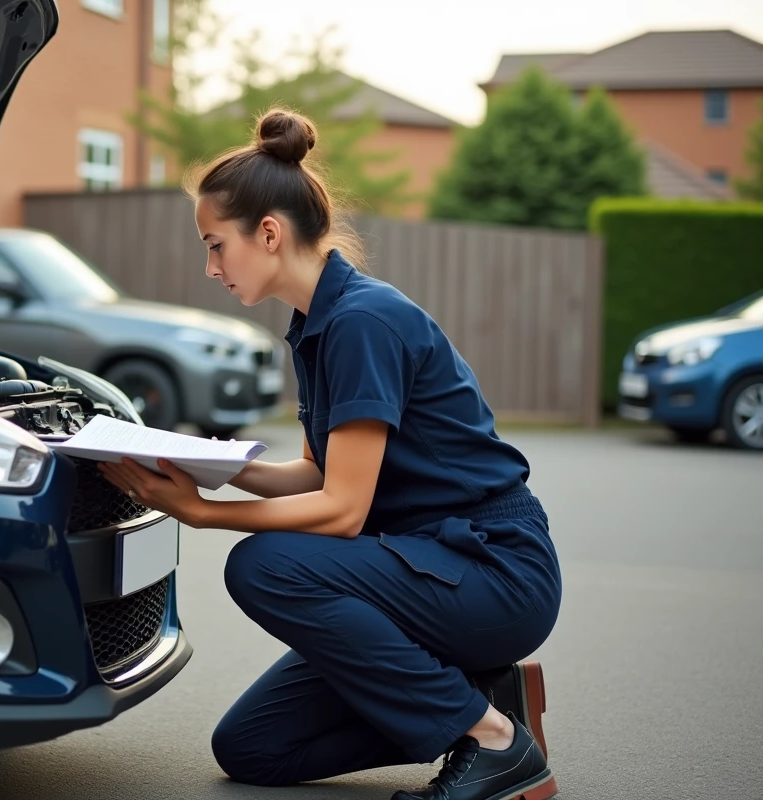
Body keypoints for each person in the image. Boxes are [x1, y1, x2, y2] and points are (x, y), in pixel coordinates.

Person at [97, 107, 563, 800]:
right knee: (252, 747)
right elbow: (320, 473)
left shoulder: (362, 323)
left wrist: (204, 514)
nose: (209, 266)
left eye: (216, 244)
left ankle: (491, 739)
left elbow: (342, 511)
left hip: (491, 571)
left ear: (269, 232)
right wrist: (211, 465)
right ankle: (480, 698)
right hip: (424, 571)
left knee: (263, 566)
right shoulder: (318, 324)